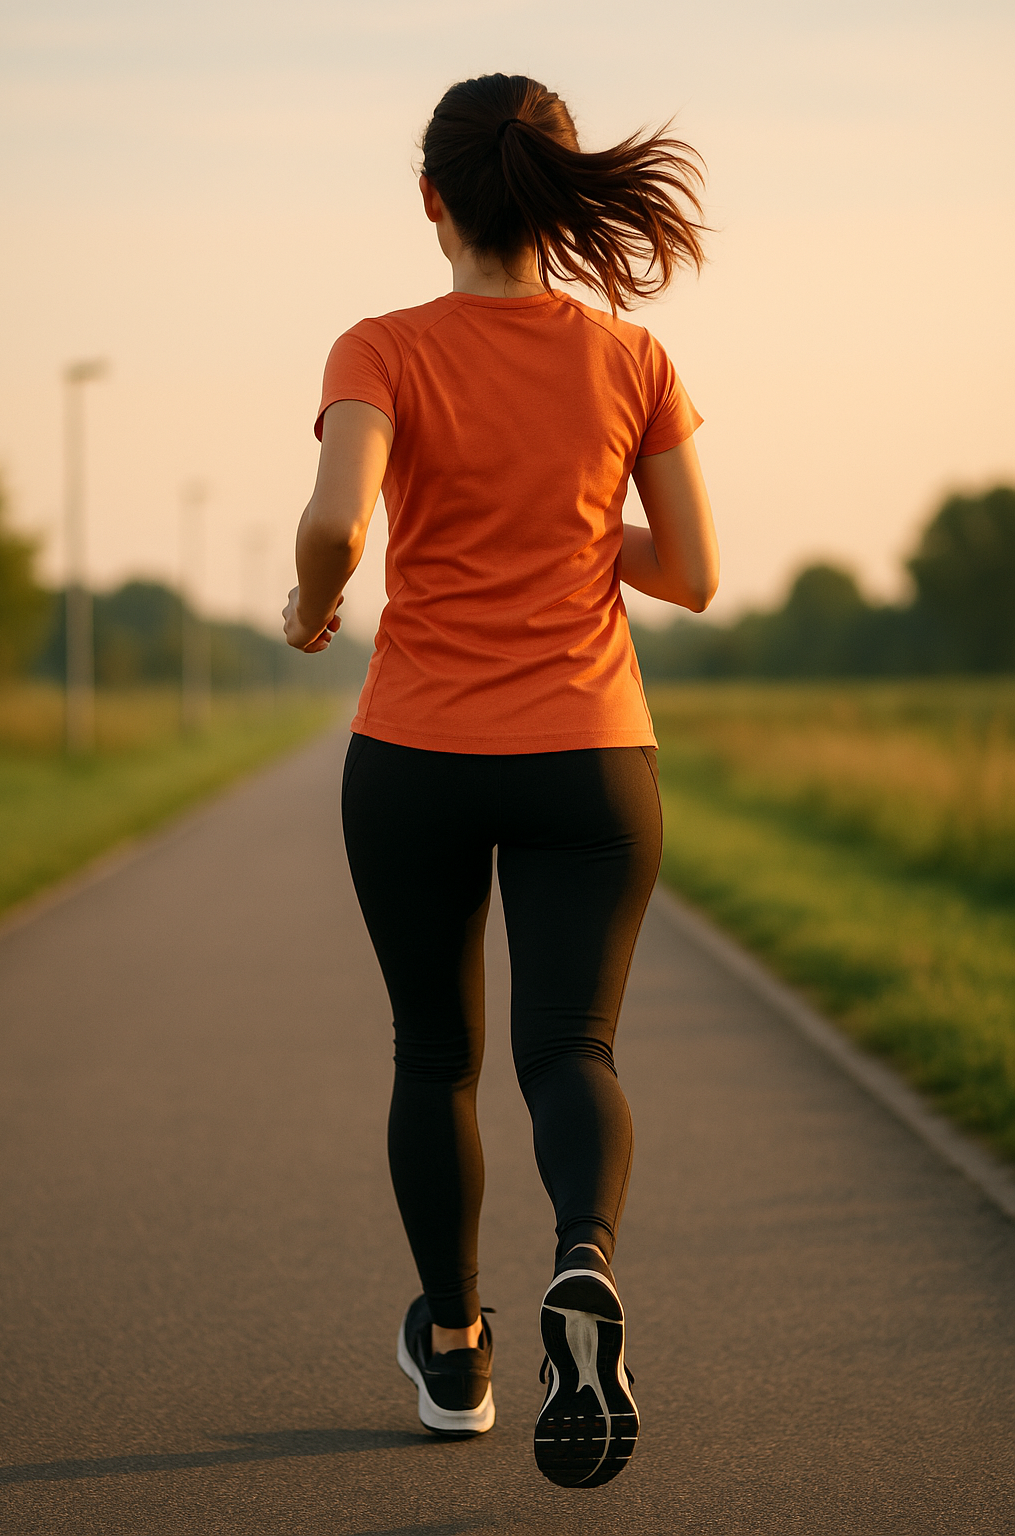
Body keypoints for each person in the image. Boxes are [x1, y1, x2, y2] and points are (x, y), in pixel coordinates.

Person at [283, 72, 718, 1489]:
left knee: (435, 1057)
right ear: (554, 194)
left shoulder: (382, 345)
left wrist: (310, 600)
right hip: (593, 757)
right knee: (571, 1052)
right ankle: (581, 1268)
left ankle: (458, 1351)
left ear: (433, 201)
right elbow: (698, 576)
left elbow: (342, 519)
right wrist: (588, 537)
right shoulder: (631, 361)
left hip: (416, 753)